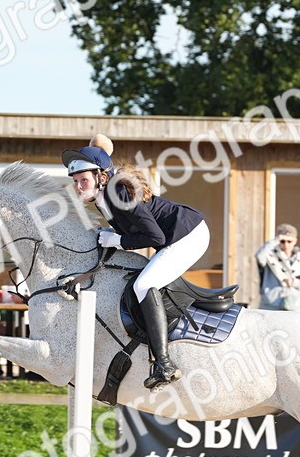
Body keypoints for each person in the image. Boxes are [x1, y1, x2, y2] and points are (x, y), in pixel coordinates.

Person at [63, 133, 209, 390]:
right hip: (175, 237)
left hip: (188, 235)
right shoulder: (105, 196)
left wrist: (117, 240)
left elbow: (154, 236)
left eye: (83, 180)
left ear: (101, 177)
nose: (78, 186)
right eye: (75, 181)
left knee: (144, 285)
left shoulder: (118, 192)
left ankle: (164, 364)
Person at [256, 224, 300, 311]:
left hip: (294, 307)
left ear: (295, 241)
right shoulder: (270, 257)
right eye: (282, 241)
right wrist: (275, 241)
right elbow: (260, 256)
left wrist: (293, 282)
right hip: (271, 306)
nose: (286, 244)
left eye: (289, 241)